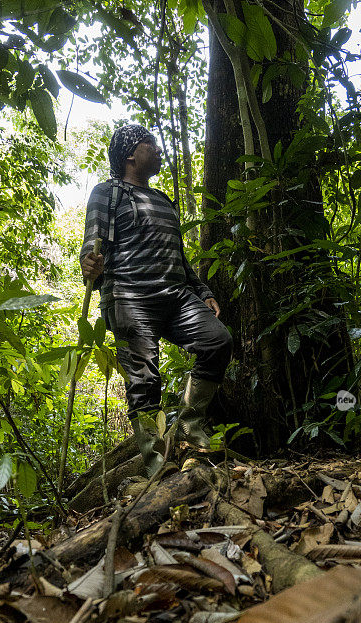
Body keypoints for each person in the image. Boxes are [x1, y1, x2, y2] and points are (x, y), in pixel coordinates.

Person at [80, 124, 232, 476]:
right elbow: (93, 243)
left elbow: (179, 258)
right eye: (151, 143)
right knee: (145, 380)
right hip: (129, 295)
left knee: (217, 341)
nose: (159, 149)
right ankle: (156, 466)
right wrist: (90, 262)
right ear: (131, 154)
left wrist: (203, 291)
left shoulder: (164, 201)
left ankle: (190, 429)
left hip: (176, 297)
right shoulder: (108, 192)